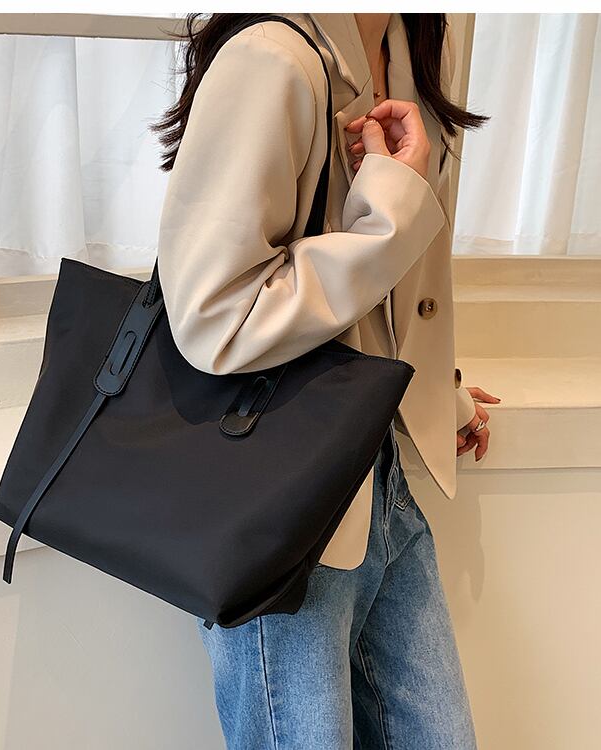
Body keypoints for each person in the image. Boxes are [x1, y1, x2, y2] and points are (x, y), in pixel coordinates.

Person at [151, 12, 499, 749]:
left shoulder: (411, 46)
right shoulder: (272, 57)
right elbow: (217, 319)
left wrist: (443, 396)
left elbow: (387, 305)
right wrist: (389, 216)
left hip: (379, 480)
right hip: (284, 512)